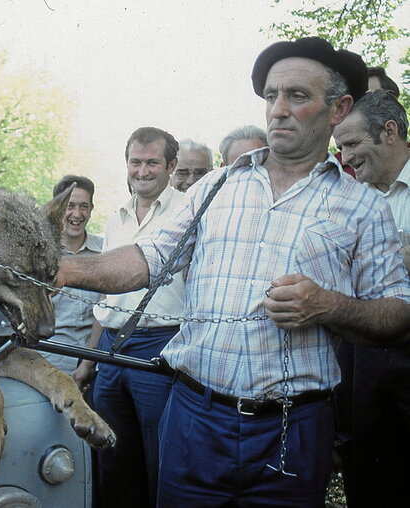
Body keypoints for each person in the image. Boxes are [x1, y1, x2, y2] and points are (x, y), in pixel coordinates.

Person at [56, 37, 410, 506]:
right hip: (194, 420)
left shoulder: (362, 206)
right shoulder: (218, 185)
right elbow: (148, 258)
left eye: (297, 96)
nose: (278, 110)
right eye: (271, 96)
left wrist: (328, 305)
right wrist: (59, 269)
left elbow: (397, 313)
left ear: (339, 108)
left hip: (293, 431)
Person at [73, 127, 186, 508]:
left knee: (159, 452)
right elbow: (106, 296)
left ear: (171, 166)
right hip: (112, 346)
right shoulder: (114, 219)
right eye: (135, 162)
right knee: (111, 448)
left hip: (161, 343)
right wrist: (89, 359)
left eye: (152, 162)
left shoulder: (188, 210)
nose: (142, 171)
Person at [332, 89, 410, 507]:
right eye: (339, 147)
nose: (344, 158)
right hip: (359, 352)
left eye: (351, 143)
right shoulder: (348, 200)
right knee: (363, 459)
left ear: (390, 132)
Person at [39, 175, 104, 375]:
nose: (77, 213)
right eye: (70, 206)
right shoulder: (41, 253)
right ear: (57, 209)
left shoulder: (106, 251)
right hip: (51, 361)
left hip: (98, 361)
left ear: (91, 210)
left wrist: (87, 364)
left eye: (84, 206)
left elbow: (106, 309)